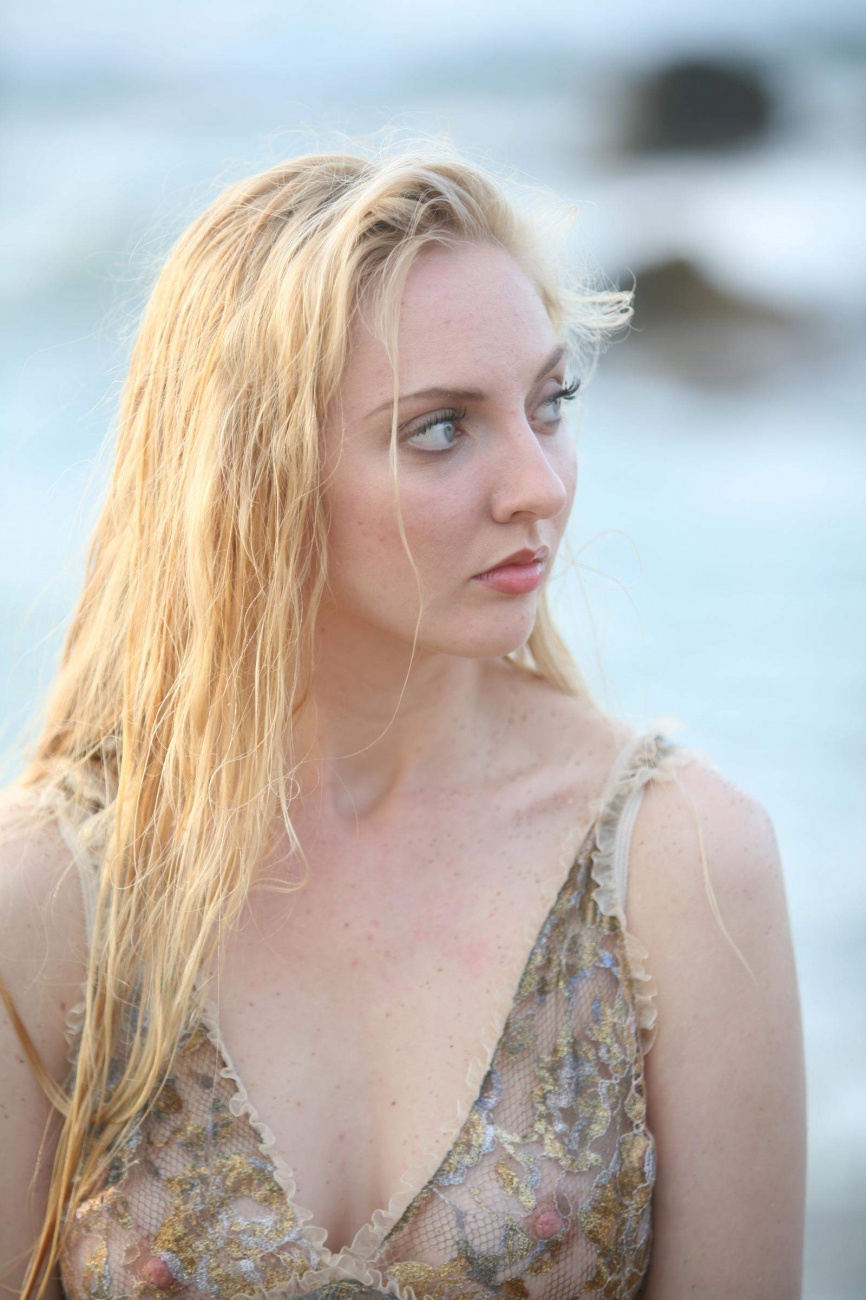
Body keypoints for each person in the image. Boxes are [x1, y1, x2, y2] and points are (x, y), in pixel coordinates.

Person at [0, 142, 806, 1300]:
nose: (538, 485)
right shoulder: (57, 896)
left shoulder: (680, 868)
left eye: (548, 404)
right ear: (255, 475)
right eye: (439, 428)